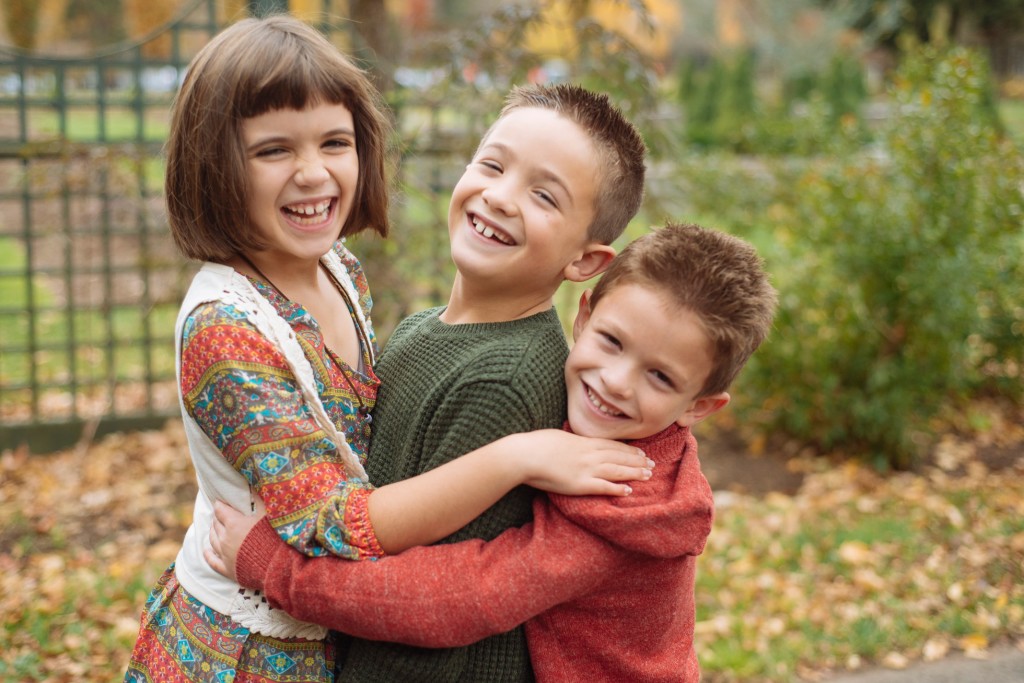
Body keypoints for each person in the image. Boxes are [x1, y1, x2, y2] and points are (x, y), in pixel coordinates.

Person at [125, 17, 649, 683]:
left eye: (334, 142)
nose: (312, 173)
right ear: (215, 161)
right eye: (273, 150)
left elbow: (443, 580)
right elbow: (334, 519)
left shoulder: (339, 269)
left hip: (349, 635)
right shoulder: (226, 329)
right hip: (245, 650)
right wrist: (519, 456)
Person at [206, 223, 779, 683]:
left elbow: (459, 597)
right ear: (582, 317)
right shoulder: (578, 413)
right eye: (611, 342)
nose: (617, 382)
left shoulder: (627, 500)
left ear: (698, 407)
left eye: (658, 376)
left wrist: (277, 569)